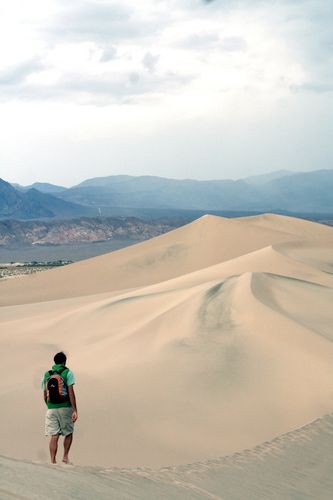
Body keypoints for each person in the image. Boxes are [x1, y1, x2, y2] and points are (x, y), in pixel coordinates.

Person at [42, 352, 78, 464]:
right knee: (68, 433)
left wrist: (49, 405)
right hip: (65, 407)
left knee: (54, 435)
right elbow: (71, 392)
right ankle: (65, 457)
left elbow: (44, 393)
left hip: (51, 408)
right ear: (64, 361)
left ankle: (52, 460)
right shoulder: (67, 372)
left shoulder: (47, 374)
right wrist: (74, 409)